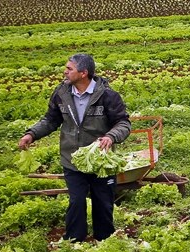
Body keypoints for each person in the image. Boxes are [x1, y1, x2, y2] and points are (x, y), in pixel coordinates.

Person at [18, 53, 131, 241]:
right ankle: (74, 241)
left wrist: (111, 136)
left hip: (101, 162)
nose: (65, 72)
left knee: (103, 203)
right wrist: (32, 134)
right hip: (73, 159)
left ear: (83, 73)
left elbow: (123, 123)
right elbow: (51, 119)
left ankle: (104, 241)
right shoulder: (61, 93)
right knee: (76, 202)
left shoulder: (108, 96)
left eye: (69, 68)